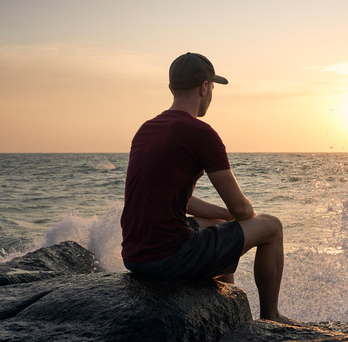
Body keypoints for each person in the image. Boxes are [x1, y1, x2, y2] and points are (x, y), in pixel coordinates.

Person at [121, 52, 295, 325]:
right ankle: (271, 317)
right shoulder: (200, 133)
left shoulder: (147, 129)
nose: (211, 93)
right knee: (272, 226)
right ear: (204, 87)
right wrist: (247, 217)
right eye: (212, 87)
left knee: (214, 222)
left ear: (171, 88)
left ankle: (229, 302)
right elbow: (241, 208)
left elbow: (182, 201)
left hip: (134, 256)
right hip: (168, 258)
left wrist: (225, 216)